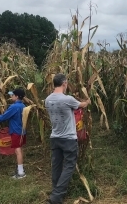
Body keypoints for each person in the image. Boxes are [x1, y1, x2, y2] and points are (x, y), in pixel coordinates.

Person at [45, 73, 91, 204]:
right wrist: (87, 100)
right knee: (69, 166)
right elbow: (82, 105)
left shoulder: (48, 99)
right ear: (64, 83)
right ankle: (56, 196)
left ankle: (56, 190)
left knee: (57, 165)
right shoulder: (67, 99)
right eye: (66, 84)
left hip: (54, 137)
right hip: (68, 139)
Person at [0, 88, 26, 179]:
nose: (11, 96)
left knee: (17, 150)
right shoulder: (23, 105)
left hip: (16, 131)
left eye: (12, 95)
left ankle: (21, 173)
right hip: (22, 131)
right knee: (20, 149)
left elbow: (3, 117)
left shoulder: (14, 107)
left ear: (16, 96)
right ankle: (20, 169)